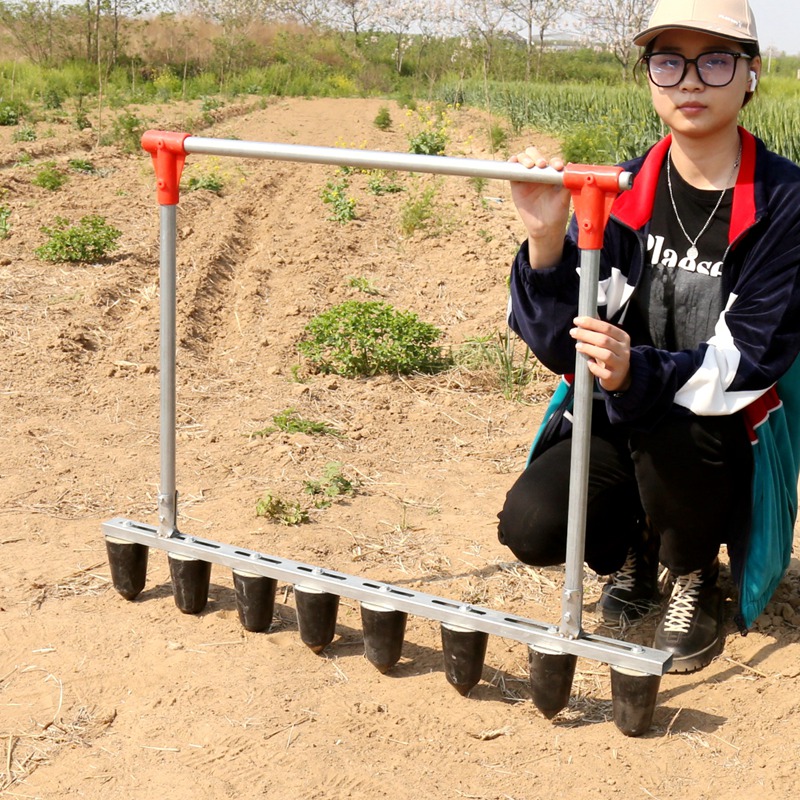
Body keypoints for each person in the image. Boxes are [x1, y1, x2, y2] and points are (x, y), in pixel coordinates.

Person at [497, 0, 800, 674]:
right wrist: (546, 239)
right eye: (669, 61)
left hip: (717, 432)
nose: (690, 80)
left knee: (683, 423)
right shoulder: (621, 190)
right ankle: (634, 547)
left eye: (715, 60)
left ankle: (693, 572)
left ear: (751, 74)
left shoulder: (784, 203)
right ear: (650, 77)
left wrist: (639, 371)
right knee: (532, 525)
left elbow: (748, 359)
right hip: (615, 416)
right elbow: (561, 347)